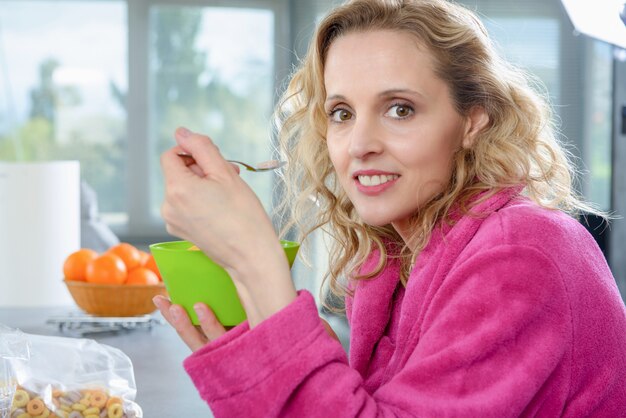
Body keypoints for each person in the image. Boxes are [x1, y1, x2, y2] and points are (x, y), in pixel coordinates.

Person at [153, 0, 626, 416]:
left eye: (399, 108)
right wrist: (258, 357)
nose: (359, 144)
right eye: (342, 113)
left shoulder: (522, 252)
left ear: (472, 121)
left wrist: (255, 258)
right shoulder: (388, 262)